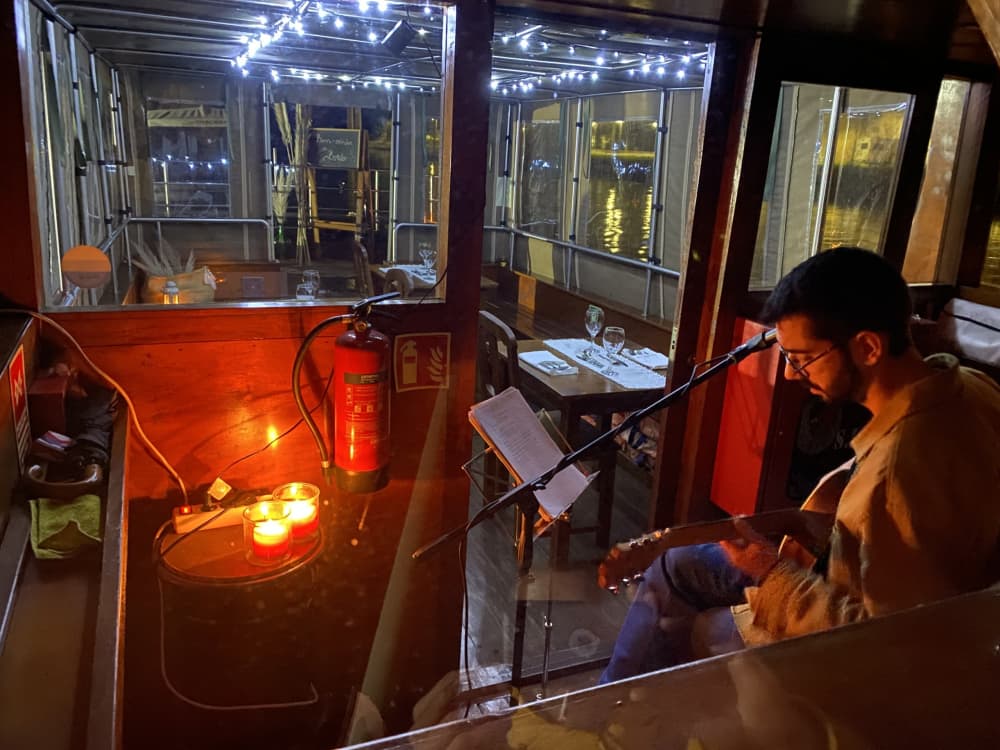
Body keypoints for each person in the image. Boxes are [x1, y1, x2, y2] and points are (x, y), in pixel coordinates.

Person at [600, 246, 1000, 683]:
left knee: (694, 624)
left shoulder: (900, 468)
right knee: (676, 562)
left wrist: (771, 572)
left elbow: (884, 641)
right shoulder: (968, 385)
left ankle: (624, 714)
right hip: (847, 579)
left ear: (867, 347)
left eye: (801, 357)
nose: (791, 374)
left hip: (851, 655)